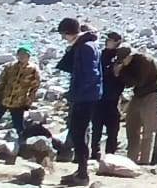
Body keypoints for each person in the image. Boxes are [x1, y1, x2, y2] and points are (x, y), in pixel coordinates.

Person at [54, 17, 103, 186]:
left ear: (69, 32)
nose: (63, 38)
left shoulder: (86, 47)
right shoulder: (87, 45)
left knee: (79, 134)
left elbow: (91, 74)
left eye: (63, 34)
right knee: (78, 133)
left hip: (84, 97)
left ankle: (83, 175)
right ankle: (81, 171)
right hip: (86, 96)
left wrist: (78, 93)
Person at [113, 47, 157, 165]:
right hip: (138, 95)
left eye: (123, 60)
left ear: (129, 56)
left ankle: (145, 161)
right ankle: (131, 159)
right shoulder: (128, 64)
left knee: (148, 130)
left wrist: (121, 72)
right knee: (132, 127)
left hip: (151, 94)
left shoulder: (145, 61)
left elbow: (137, 81)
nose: (122, 63)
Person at [0, 44, 40, 140]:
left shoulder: (33, 69)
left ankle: (20, 142)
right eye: (20, 54)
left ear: (29, 56)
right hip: (4, 98)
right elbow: (1, 81)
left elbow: (34, 87)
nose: (22, 56)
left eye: (24, 55)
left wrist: (28, 102)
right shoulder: (10, 66)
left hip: (19, 102)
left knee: (18, 124)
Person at [90, 32, 125, 156]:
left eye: (110, 40)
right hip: (99, 97)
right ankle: (95, 153)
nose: (107, 41)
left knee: (113, 129)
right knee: (96, 128)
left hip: (113, 98)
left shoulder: (120, 56)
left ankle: (110, 155)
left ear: (117, 41)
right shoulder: (101, 54)